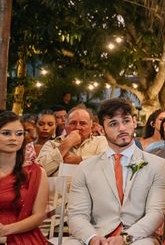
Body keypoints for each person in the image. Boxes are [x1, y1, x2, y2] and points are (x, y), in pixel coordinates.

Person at [64, 98, 165, 245]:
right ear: (101, 129)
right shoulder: (86, 168)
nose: (122, 128)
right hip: (98, 233)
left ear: (134, 122)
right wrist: (92, 238)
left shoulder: (157, 165)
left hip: (138, 237)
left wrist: (126, 237)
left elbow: (157, 212)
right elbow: (77, 215)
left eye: (126, 121)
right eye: (113, 124)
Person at [0, 111, 48, 245]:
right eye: (6, 133)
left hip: (22, 236)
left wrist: (6, 230)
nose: (13, 138)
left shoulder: (36, 172)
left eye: (19, 133)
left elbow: (39, 216)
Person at [36, 105, 107, 176]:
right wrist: (67, 144)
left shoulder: (100, 141)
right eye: (73, 123)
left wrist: (78, 160)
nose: (77, 127)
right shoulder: (51, 144)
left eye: (83, 123)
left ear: (91, 126)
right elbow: (38, 172)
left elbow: (106, 166)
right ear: (65, 125)